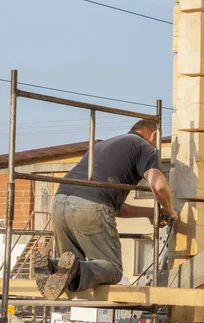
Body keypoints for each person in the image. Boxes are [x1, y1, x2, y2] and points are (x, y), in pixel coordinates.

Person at [33, 119, 178, 300]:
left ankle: (52, 265)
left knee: (69, 276)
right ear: (154, 135)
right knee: (113, 269)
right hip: (91, 205)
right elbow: (159, 187)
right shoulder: (144, 147)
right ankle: (75, 268)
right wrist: (170, 210)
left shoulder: (104, 145)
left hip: (60, 202)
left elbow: (110, 205)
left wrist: (150, 213)